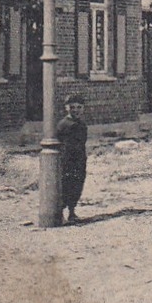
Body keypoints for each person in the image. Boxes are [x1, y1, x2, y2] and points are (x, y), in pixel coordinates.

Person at [56, 95, 89, 223]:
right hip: (67, 160)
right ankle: (60, 213)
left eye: (79, 107)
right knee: (66, 185)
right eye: (72, 107)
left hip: (79, 159)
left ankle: (72, 212)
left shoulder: (82, 124)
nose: (76, 110)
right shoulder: (63, 124)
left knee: (77, 184)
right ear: (66, 108)